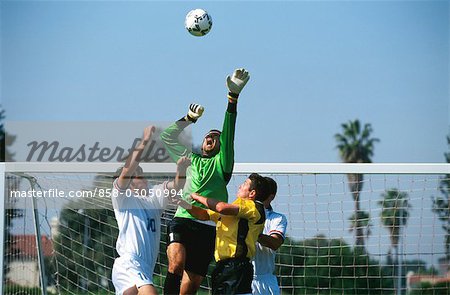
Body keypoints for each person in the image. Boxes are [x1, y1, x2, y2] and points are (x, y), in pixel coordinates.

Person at [161, 68, 250, 294]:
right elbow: (167, 136)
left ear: (221, 147)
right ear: (202, 143)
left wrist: (233, 97)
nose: (211, 137)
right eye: (207, 136)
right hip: (183, 217)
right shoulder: (190, 158)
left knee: (190, 287)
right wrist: (189, 119)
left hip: (208, 226)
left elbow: (229, 132)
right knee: (176, 264)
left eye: (215, 137)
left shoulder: (222, 164)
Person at [111, 125, 191, 295]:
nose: (144, 178)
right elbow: (128, 170)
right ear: (131, 182)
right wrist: (144, 141)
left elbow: (177, 185)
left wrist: (181, 170)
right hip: (129, 263)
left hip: (145, 267)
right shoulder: (122, 199)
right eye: (139, 176)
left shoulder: (154, 196)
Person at [186, 173, 270, 295]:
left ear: (252, 193)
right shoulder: (234, 208)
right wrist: (182, 203)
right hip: (222, 267)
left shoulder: (252, 207)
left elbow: (220, 207)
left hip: (237, 266)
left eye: (245, 184)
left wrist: (197, 197)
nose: (240, 186)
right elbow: (203, 215)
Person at [251, 177, 288, 295]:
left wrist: (253, 232)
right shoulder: (238, 212)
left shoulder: (277, 218)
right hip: (239, 277)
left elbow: (275, 243)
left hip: (265, 282)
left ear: (271, 197)